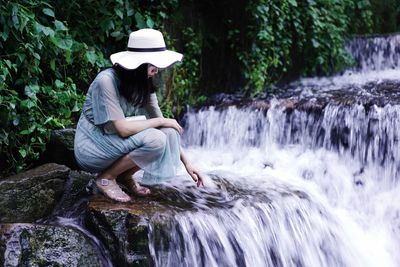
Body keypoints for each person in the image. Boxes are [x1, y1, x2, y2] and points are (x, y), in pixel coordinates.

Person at [74, 28, 204, 202]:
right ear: (136, 64)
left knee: (169, 133)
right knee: (156, 139)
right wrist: (159, 121)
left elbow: (165, 127)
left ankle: (124, 177)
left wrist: (187, 162)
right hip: (93, 146)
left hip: (115, 142)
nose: (156, 70)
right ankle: (106, 178)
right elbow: (123, 129)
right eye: (152, 64)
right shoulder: (106, 81)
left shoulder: (143, 84)